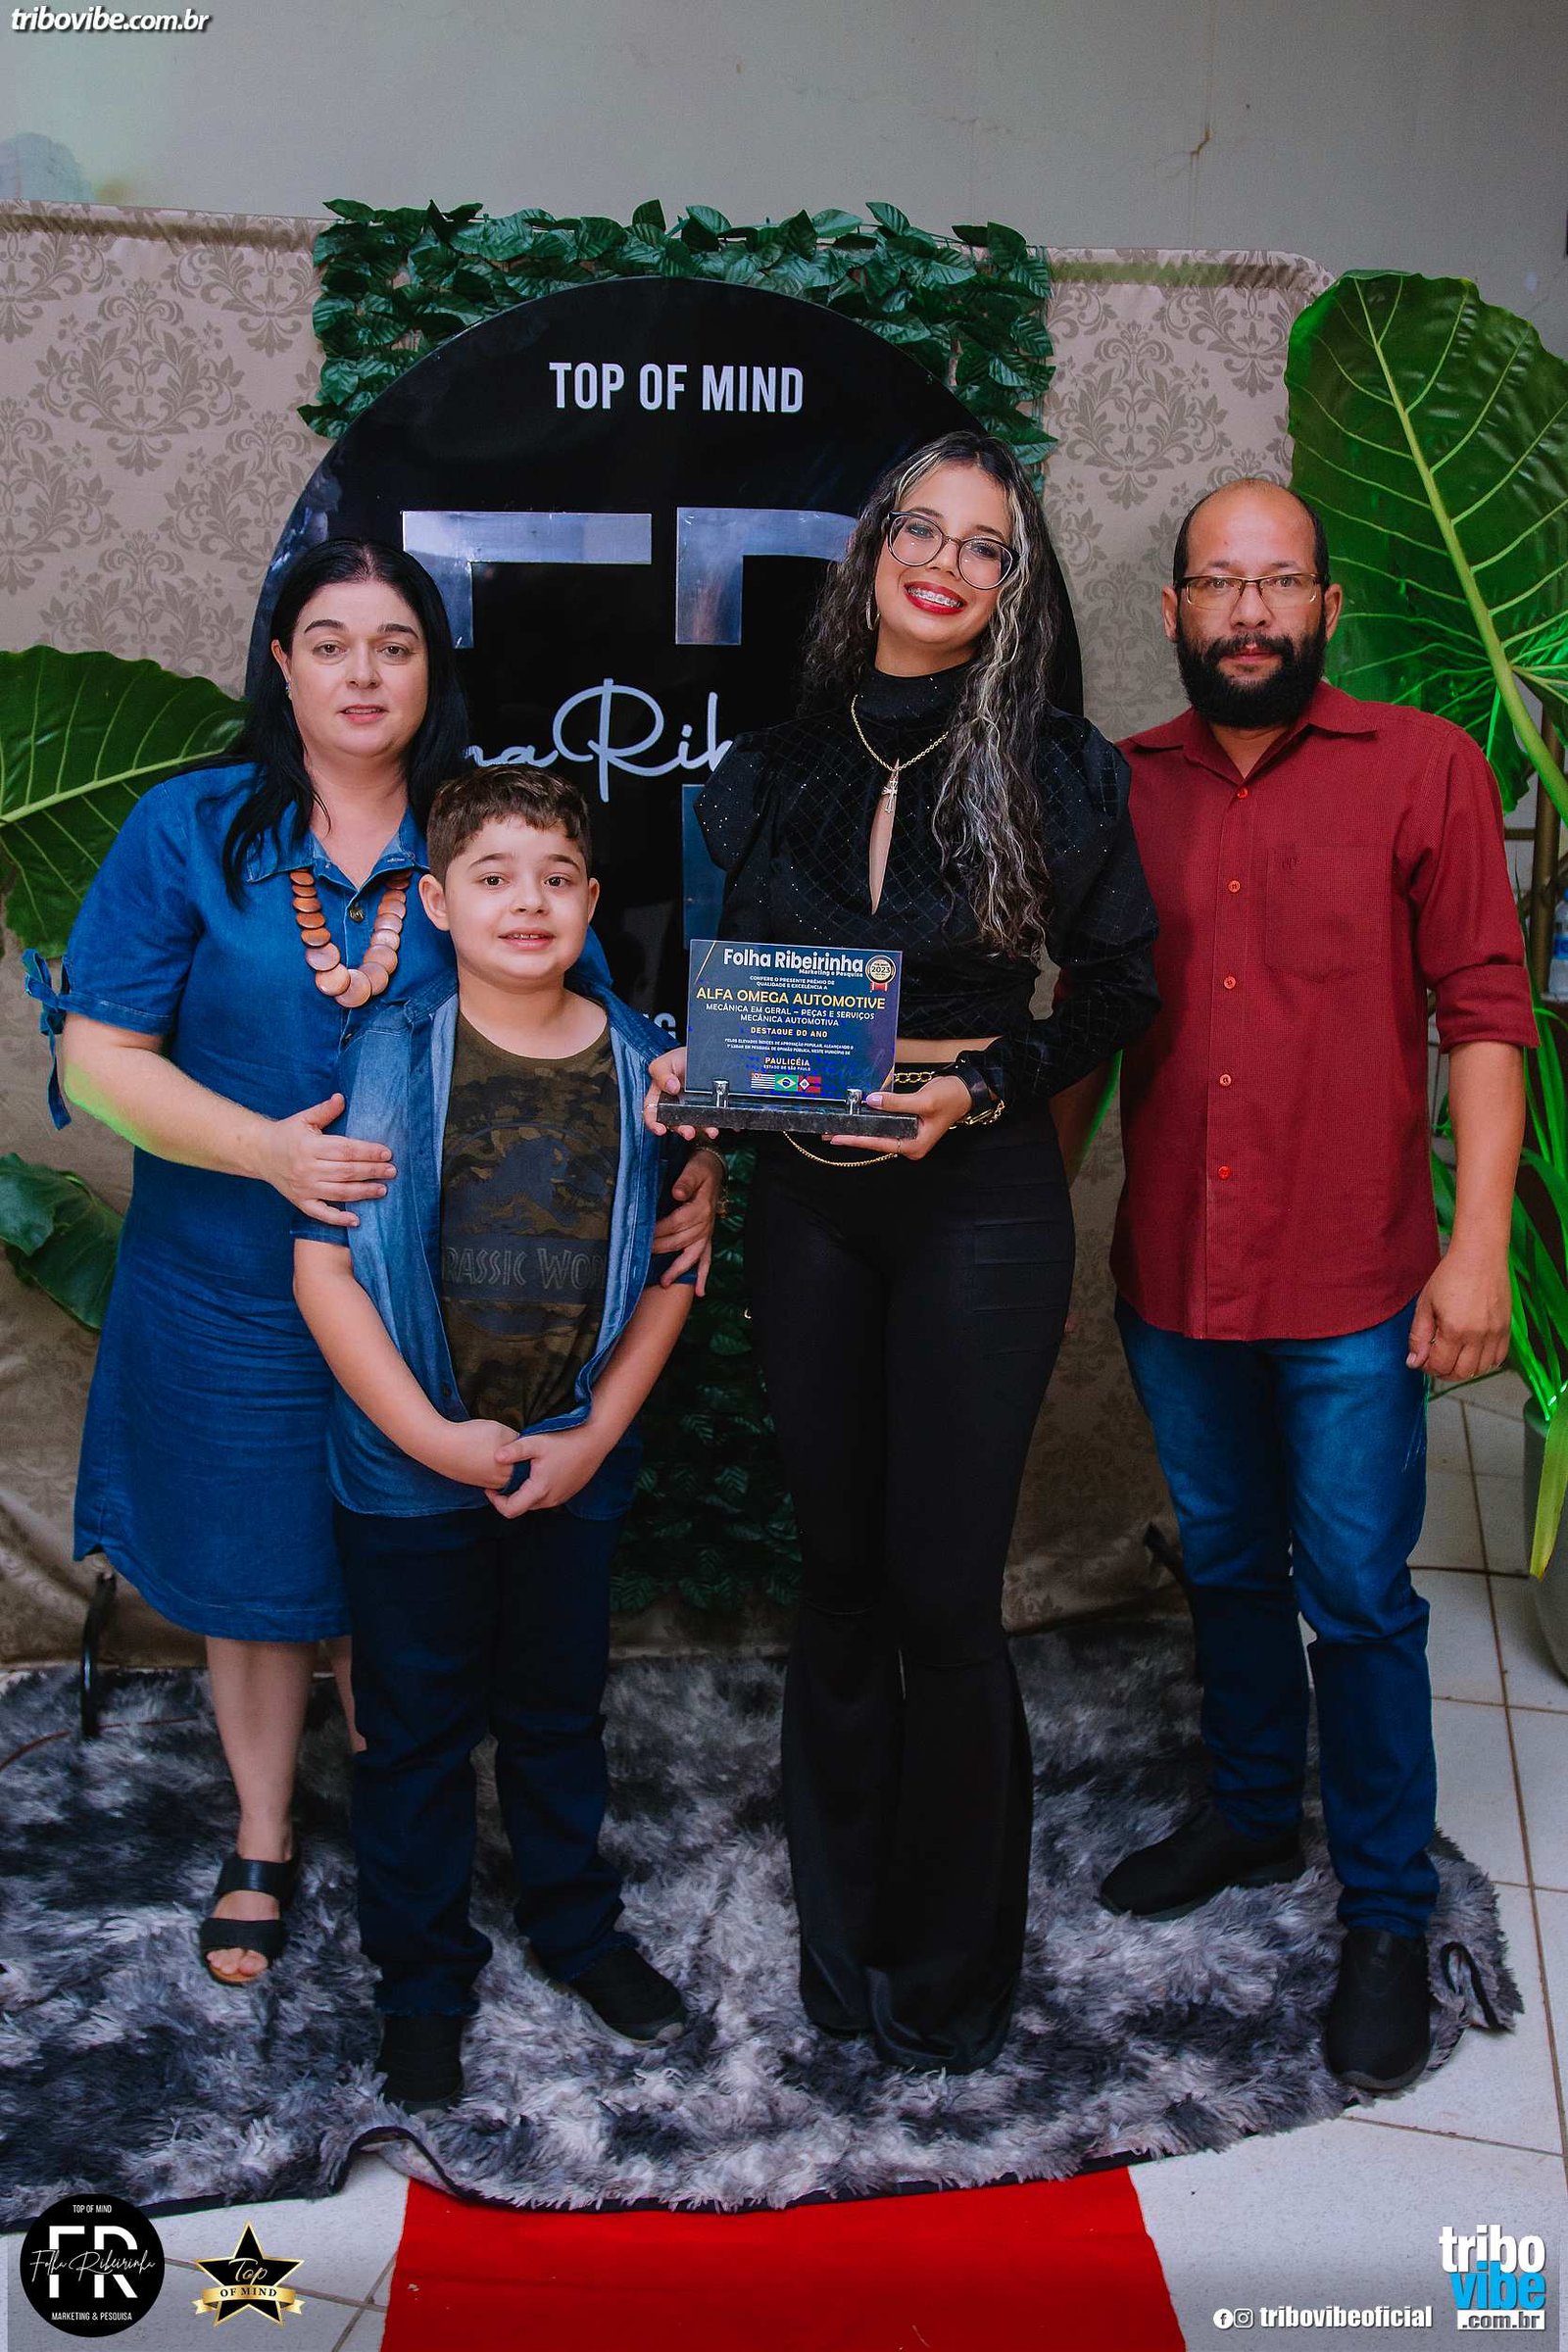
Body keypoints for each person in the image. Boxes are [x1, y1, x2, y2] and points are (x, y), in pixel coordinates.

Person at [24, 540, 720, 1989]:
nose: (362, 673)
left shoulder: (479, 832)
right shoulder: (190, 827)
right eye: (330, 642)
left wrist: (688, 1151)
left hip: (439, 1305)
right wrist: (267, 1154)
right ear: (280, 664)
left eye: (395, 645)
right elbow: (96, 1060)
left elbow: (601, 1037)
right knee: (255, 1572)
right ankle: (264, 1836)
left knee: (406, 1575)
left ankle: (411, 1835)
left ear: (430, 672)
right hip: (227, 1280)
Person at [648, 429, 1161, 2072]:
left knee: (943, 1595)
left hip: (978, 1202)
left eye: (984, 545)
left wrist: (985, 1088)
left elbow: (1121, 988)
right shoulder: (771, 767)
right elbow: (726, 990)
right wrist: (692, 1074)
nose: (946, 563)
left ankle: (948, 1965)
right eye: (921, 531)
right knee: (842, 1579)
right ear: (874, 552)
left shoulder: (1059, 769)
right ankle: (842, 1925)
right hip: (811, 1207)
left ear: (1014, 587)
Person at [1054, 479, 1535, 2094]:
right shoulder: (1120, 788)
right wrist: (1026, 1227)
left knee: (1360, 1594)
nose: (1247, 611)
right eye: (1218, 582)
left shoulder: (1425, 766)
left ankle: (1387, 1910)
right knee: (1229, 1562)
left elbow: (1486, 1011)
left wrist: (1477, 1246)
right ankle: (1256, 1813)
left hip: (1353, 1280)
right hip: (1176, 1274)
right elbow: (1090, 1026)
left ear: (1327, 607)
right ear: (1175, 610)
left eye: (1278, 583)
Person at [293, 765, 696, 2111]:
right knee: (411, 1732)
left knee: (555, 1711)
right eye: (494, 876)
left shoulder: (644, 1064)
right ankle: (421, 1981)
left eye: (557, 877)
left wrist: (593, 1440)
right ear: (438, 902)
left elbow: (675, 1270)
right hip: (408, 1471)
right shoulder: (389, 1052)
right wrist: (427, 1436)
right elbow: (324, 1268)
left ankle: (577, 1927)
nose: (529, 901)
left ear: (591, 899)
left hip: (572, 1458)